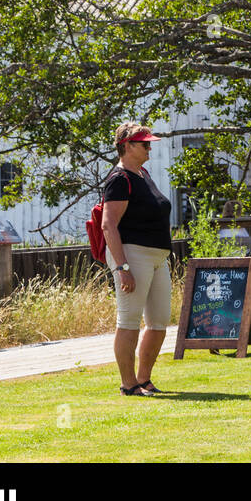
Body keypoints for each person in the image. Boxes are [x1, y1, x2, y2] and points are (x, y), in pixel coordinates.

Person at [100, 122, 173, 397]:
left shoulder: (142, 173)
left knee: (159, 322)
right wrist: (122, 267)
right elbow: (109, 226)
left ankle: (144, 379)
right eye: (144, 144)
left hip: (157, 257)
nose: (149, 147)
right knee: (129, 320)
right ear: (127, 146)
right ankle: (128, 383)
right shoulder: (120, 178)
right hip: (132, 255)